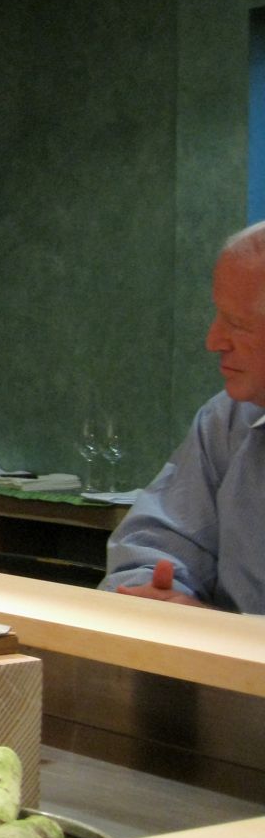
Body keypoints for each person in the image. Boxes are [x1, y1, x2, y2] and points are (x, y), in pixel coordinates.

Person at [102, 222, 265, 613]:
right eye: (218, 316)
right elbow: (152, 546)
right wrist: (156, 596)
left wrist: (222, 631)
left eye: (238, 324)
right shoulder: (227, 422)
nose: (214, 341)